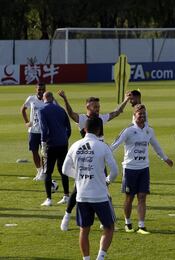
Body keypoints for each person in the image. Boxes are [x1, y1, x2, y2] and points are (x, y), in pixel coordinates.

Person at [58, 90, 129, 231]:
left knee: (103, 188)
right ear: (87, 107)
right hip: (87, 156)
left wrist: (126, 99)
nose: (97, 109)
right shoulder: (83, 119)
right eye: (94, 107)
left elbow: (116, 112)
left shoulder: (101, 118)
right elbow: (71, 114)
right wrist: (65, 99)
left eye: (98, 106)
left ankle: (104, 221)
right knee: (78, 189)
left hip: (100, 157)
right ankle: (66, 217)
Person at [110, 104, 173, 234]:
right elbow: (115, 144)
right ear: (134, 115)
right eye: (140, 114)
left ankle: (141, 226)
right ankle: (128, 223)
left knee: (142, 196)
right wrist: (103, 155)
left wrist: (165, 158)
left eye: (144, 114)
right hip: (130, 168)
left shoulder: (149, 130)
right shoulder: (128, 130)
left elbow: (156, 146)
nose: (142, 116)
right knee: (129, 197)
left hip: (144, 168)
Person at [62, 117, 119, 260]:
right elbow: (115, 171)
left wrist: (80, 176)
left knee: (84, 230)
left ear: (84, 129)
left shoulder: (75, 145)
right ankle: (100, 257)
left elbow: (65, 169)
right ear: (99, 130)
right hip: (100, 195)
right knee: (109, 227)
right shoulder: (102, 146)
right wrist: (107, 181)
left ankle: (86, 259)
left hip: (81, 195)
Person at [39, 92, 71, 206]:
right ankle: (66, 196)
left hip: (51, 145)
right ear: (52, 98)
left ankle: (49, 199)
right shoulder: (61, 109)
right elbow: (68, 127)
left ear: (44, 99)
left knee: (48, 172)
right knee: (63, 170)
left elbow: (44, 129)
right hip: (63, 144)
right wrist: (65, 138)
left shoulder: (42, 110)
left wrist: (43, 144)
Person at [20, 82, 47, 181]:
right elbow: (23, 109)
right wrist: (26, 122)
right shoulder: (31, 99)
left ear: (45, 89)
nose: (41, 91)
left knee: (44, 153)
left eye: (43, 89)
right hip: (33, 131)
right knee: (34, 152)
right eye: (39, 89)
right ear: (36, 90)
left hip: (45, 131)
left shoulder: (48, 99)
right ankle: (39, 171)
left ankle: (44, 172)